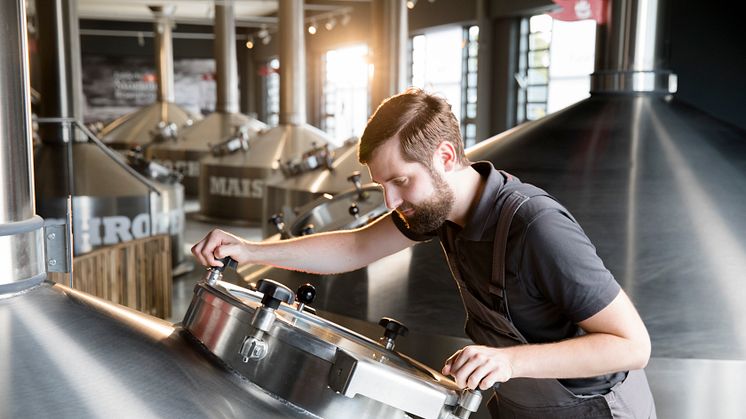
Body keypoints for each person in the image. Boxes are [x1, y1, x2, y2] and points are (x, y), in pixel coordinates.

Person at [192, 88, 656, 418]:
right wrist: (249, 249)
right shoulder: (439, 211)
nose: (392, 201)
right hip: (524, 403)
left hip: (596, 408)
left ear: (447, 157)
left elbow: (632, 346)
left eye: (400, 181)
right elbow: (355, 245)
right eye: (382, 186)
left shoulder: (537, 227)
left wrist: (509, 361)